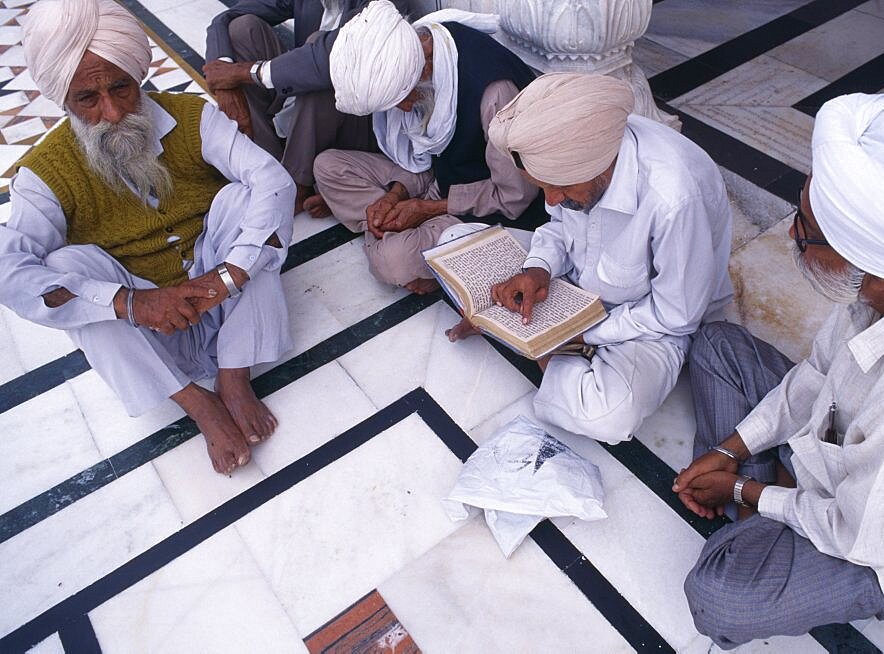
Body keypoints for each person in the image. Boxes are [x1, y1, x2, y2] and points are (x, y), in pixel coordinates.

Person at [674, 94, 884, 648]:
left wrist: (746, 489)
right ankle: (769, 504)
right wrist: (730, 449)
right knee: (716, 345)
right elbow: (817, 375)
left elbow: (860, 533)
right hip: (837, 456)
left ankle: (761, 513)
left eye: (803, 227)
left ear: (864, 257)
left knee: (719, 597)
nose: (791, 235)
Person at [0, 0, 296, 475]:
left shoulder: (192, 116)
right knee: (63, 269)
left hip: (218, 291)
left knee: (246, 202)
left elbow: (273, 181)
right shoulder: (42, 173)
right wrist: (131, 303)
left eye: (121, 88)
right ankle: (197, 402)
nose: (113, 112)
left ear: (139, 75)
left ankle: (234, 376)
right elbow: (9, 273)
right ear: (63, 99)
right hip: (145, 326)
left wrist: (229, 275)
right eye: (88, 99)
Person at [454, 73, 733, 443]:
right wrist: (538, 268)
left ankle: (549, 352)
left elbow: (676, 314)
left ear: (601, 167)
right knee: (458, 238)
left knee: (608, 414)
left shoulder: (673, 198)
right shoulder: (575, 157)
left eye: (560, 188)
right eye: (544, 188)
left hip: (647, 322)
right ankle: (551, 351)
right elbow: (557, 226)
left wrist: (577, 332)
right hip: (573, 286)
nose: (551, 200)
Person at [313, 1, 546, 294]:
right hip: (438, 176)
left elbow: (515, 197)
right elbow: (421, 158)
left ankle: (392, 235)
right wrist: (397, 195)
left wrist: (425, 209)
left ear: (423, 66)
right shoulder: (422, 48)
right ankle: (400, 233)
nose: (404, 108)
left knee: (392, 262)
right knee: (327, 166)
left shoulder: (493, 95)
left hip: (481, 205)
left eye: (402, 98)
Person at [204, 0, 409, 216]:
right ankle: (265, 164)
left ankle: (295, 184)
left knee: (319, 52)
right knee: (242, 29)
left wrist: (245, 73)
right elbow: (224, 19)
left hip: (356, 125)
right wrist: (225, 83)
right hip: (304, 104)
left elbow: (326, 57)